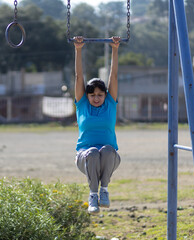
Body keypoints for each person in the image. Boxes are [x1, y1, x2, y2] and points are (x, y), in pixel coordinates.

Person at [73, 36, 121, 214]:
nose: (96, 98)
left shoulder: (110, 104)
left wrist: (115, 49)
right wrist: (78, 50)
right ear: (87, 96)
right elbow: (79, 77)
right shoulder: (82, 105)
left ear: (105, 95)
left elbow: (113, 76)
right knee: (93, 151)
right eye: (92, 94)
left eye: (100, 94)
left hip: (109, 158)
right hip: (85, 158)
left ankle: (104, 190)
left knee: (107, 149)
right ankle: (93, 194)